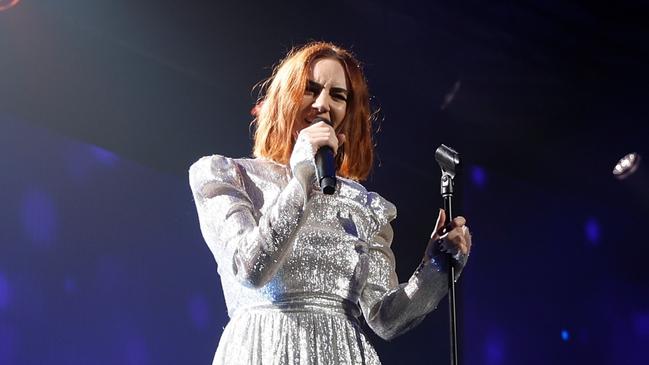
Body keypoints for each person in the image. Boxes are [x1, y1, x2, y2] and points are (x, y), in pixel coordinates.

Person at [189, 41, 472, 365]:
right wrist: (301, 180)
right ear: (284, 97)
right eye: (311, 89)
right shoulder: (228, 175)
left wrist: (435, 268)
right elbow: (250, 269)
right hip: (263, 348)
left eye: (338, 96)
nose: (323, 104)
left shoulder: (364, 205)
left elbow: (387, 319)